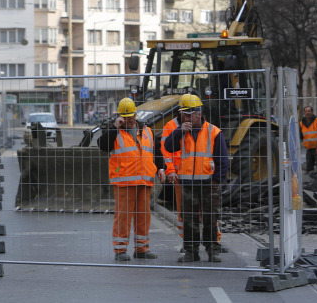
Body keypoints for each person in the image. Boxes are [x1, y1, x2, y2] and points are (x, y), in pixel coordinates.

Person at [98, 97, 166, 261]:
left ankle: (141, 249)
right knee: (123, 216)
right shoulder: (115, 132)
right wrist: (115, 127)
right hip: (124, 181)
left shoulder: (147, 132)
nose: (128, 120)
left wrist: (161, 169)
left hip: (144, 180)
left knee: (143, 215)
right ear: (119, 116)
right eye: (125, 117)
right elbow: (103, 145)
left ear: (135, 115)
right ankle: (120, 250)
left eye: (130, 117)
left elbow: (156, 152)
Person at [164, 94, 229, 263]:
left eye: (189, 114)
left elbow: (222, 159)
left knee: (210, 218)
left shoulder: (213, 132)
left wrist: (216, 181)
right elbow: (168, 147)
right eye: (183, 114)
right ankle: (191, 252)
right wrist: (179, 132)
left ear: (199, 113)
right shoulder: (181, 132)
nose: (185, 117)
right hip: (187, 183)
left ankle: (212, 250)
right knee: (189, 219)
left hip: (208, 183)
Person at [300, 106, 317, 173]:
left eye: (309, 111)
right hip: (309, 149)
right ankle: (310, 182)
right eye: (306, 111)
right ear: (304, 112)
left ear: (312, 112)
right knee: (309, 169)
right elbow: (301, 135)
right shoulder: (302, 123)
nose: (307, 112)